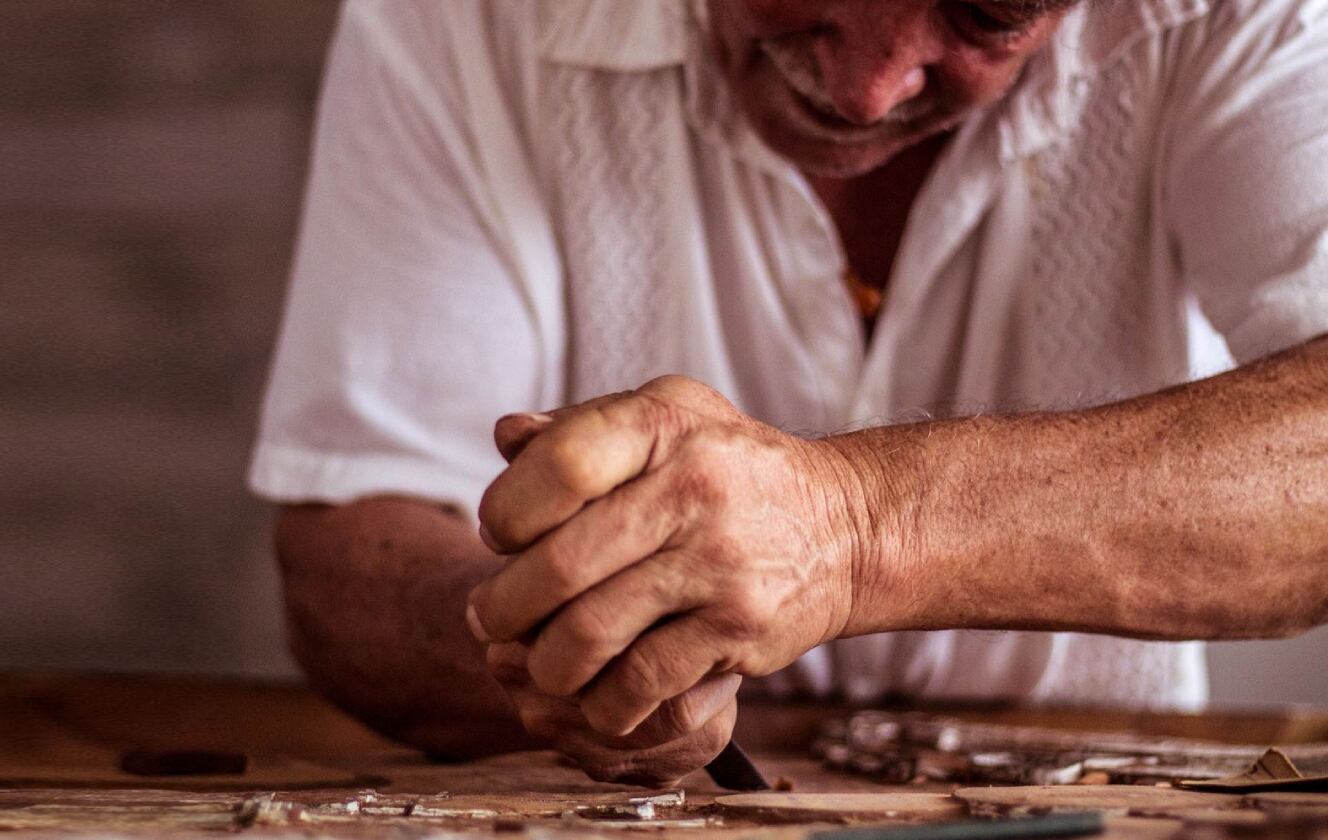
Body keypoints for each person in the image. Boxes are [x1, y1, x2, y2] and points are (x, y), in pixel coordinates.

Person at [252, 0, 1328, 785]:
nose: (869, 87)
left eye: (988, 14)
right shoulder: (461, 23)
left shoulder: (1251, 18)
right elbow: (352, 547)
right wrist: (564, 648)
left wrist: (851, 529)